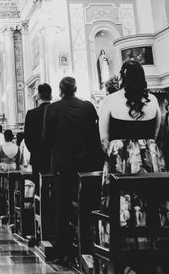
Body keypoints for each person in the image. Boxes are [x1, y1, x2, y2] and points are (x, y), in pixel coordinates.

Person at [43, 77, 104, 264]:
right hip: (86, 165)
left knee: (62, 207)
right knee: (87, 205)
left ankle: (64, 251)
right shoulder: (88, 107)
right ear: (75, 89)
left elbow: (46, 138)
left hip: (62, 165)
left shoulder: (52, 109)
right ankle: (88, 246)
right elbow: (96, 136)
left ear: (60, 91)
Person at [98, 60, 165, 213]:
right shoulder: (153, 100)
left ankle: (121, 230)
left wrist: (114, 153)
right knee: (151, 198)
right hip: (149, 154)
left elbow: (103, 138)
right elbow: (156, 132)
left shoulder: (110, 100)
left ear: (121, 77)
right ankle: (153, 232)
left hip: (120, 157)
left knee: (123, 197)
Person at [24, 83, 53, 189]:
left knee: (40, 188)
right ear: (51, 96)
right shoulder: (57, 110)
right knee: (55, 187)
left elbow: (27, 138)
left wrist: (35, 151)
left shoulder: (31, 113)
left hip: (37, 157)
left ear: (38, 96)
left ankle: (40, 205)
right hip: (54, 157)